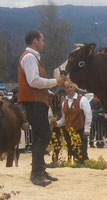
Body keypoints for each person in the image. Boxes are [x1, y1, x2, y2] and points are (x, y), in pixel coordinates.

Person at [18, 29, 66, 187]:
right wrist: (55, 81)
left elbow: (34, 82)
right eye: (42, 40)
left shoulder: (31, 57)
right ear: (35, 40)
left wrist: (50, 91)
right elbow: (33, 81)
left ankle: (39, 170)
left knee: (40, 135)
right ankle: (36, 173)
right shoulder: (30, 57)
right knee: (45, 134)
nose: (44, 43)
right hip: (35, 101)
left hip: (35, 100)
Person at [53, 81, 92, 163]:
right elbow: (64, 119)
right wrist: (56, 123)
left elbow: (88, 115)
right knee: (72, 153)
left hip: (80, 130)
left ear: (74, 87)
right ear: (65, 89)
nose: (69, 89)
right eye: (67, 88)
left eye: (71, 87)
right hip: (68, 132)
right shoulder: (64, 103)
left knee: (82, 153)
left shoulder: (83, 100)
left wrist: (87, 130)